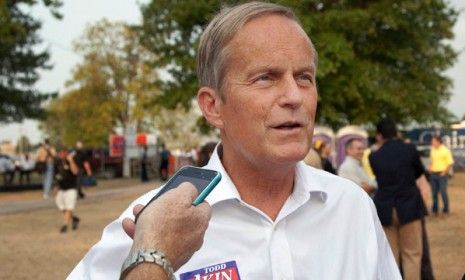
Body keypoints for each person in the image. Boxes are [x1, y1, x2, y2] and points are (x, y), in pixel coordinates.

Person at [69, 2, 400, 279]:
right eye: (265, 78)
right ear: (213, 107)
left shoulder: (351, 207)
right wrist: (152, 260)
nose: (293, 96)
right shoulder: (151, 226)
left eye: (304, 77)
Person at [369, 118, 426, 280]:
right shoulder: (409, 149)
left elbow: (378, 178)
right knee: (412, 255)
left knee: (389, 257)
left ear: (379, 136)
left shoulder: (374, 156)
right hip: (409, 205)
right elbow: (419, 172)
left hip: (385, 208)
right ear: (396, 132)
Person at [54, 147, 80, 233]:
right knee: (61, 206)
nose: (60, 154)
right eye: (59, 153)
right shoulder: (57, 163)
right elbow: (57, 176)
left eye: (62, 152)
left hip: (71, 188)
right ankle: (74, 218)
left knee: (69, 207)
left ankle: (65, 225)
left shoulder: (72, 161)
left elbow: (75, 172)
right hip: (62, 189)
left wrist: (71, 160)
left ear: (66, 153)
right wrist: (56, 187)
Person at [428, 135, 454, 215]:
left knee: (443, 191)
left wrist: (445, 172)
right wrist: (430, 168)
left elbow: (450, 163)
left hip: (442, 174)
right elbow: (431, 160)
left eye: (433, 141)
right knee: (434, 192)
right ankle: (435, 209)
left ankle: (446, 209)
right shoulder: (432, 150)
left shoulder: (446, 150)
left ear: (438, 142)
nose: (432, 143)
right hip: (433, 174)